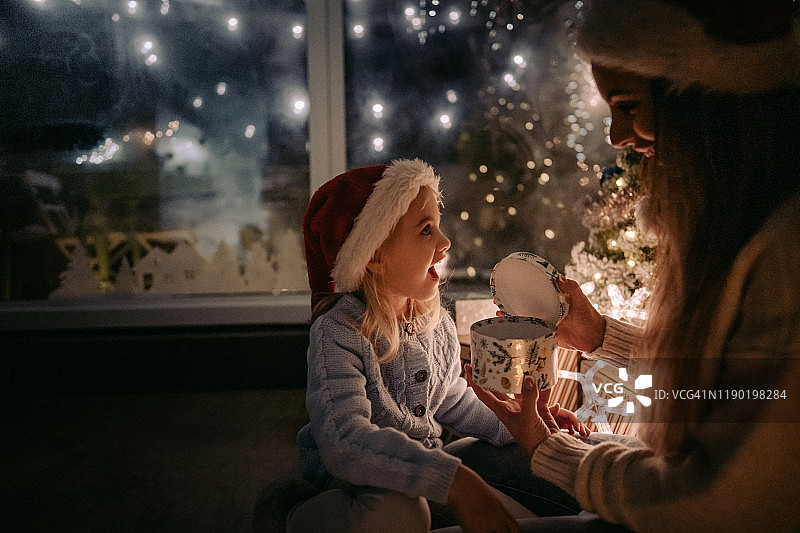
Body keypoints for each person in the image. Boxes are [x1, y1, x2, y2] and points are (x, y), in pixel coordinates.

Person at [464, 0, 800, 532]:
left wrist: (554, 453)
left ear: (702, 100)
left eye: (629, 105)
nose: (618, 137)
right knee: (469, 465)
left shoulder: (782, 254)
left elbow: (723, 498)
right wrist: (600, 334)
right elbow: (721, 384)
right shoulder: (737, 232)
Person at [289, 158, 582, 533]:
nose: (444, 243)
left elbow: (452, 401)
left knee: (528, 482)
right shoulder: (338, 333)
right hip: (355, 484)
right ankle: (296, 517)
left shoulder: (434, 321)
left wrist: (522, 424)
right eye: (426, 230)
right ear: (374, 255)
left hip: (428, 470)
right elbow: (344, 440)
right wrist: (457, 483)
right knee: (402, 513)